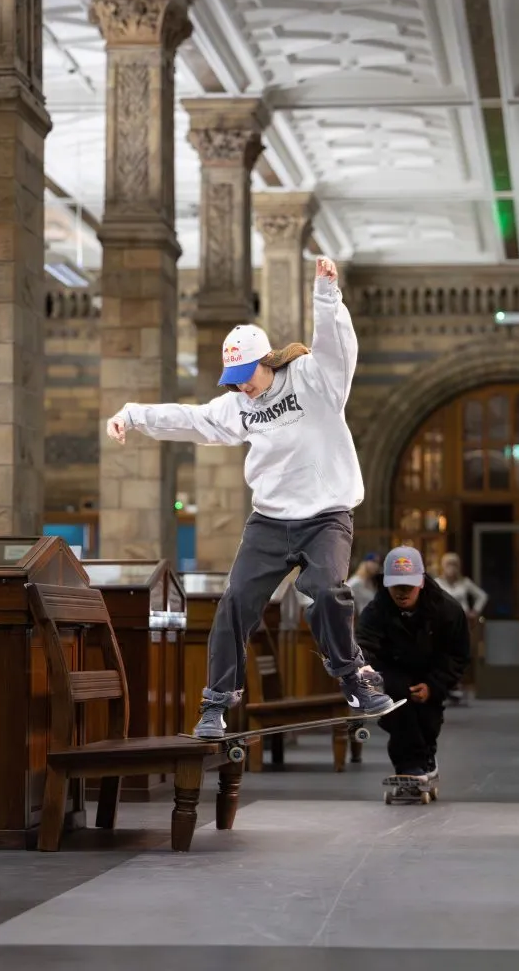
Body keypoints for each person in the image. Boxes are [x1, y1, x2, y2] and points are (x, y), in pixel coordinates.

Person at [106, 256, 394, 738]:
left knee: (325, 590)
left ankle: (354, 678)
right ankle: (215, 705)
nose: (243, 384)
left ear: (268, 360)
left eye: (248, 374)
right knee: (234, 603)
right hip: (268, 522)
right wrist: (133, 415)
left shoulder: (315, 379)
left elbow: (337, 345)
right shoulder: (237, 406)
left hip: (326, 517)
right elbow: (189, 418)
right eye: (234, 377)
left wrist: (326, 296)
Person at [356, 546, 471, 780]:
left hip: (432, 668)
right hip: (392, 670)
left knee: (428, 719)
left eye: (408, 586)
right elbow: (363, 647)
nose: (402, 593)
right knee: (398, 704)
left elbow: (457, 655)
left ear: (421, 582)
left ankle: (426, 755)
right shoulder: (376, 610)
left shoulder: (447, 610)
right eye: (396, 587)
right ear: (386, 584)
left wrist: (434, 685)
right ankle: (409, 765)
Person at [435, 552, 488, 703]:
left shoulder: (464, 583)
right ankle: (447, 686)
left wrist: (475, 611)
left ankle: (455, 685)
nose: (451, 568)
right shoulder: (437, 583)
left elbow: (482, 596)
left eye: (454, 564)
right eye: (448, 564)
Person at [346, 553, 382, 617]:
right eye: (373, 561)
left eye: (378, 563)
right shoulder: (356, 582)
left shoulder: (370, 582)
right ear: (365, 563)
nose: (376, 565)